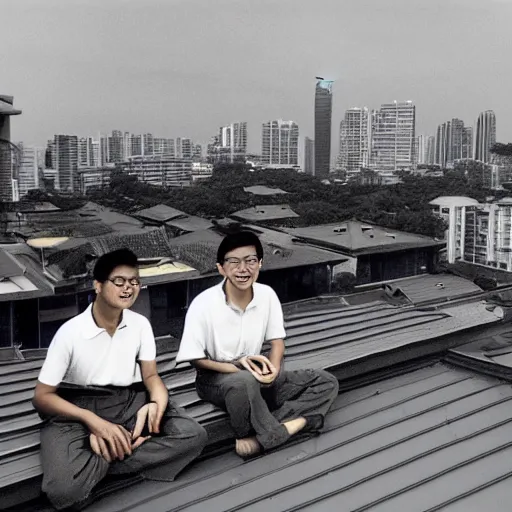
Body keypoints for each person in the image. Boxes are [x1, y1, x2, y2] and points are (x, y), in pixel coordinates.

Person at [33, 248, 207, 511]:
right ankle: (111, 448)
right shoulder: (70, 333)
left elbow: (150, 375)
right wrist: (93, 423)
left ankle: (105, 454)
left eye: (134, 282)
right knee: (62, 490)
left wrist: (156, 406)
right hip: (78, 409)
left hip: (129, 401)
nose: (129, 288)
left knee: (194, 435)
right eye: (119, 282)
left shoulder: (139, 324)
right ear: (98, 285)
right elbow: (42, 397)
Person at [176, 231, 339, 458]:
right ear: (221, 268)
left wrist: (272, 370)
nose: (243, 269)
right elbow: (197, 359)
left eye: (251, 261)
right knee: (243, 382)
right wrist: (236, 367)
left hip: (258, 370)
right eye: (234, 262)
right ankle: (293, 425)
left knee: (325, 381)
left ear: (260, 264)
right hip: (218, 377)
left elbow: (277, 343)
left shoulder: (267, 295)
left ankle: (265, 432)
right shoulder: (202, 304)